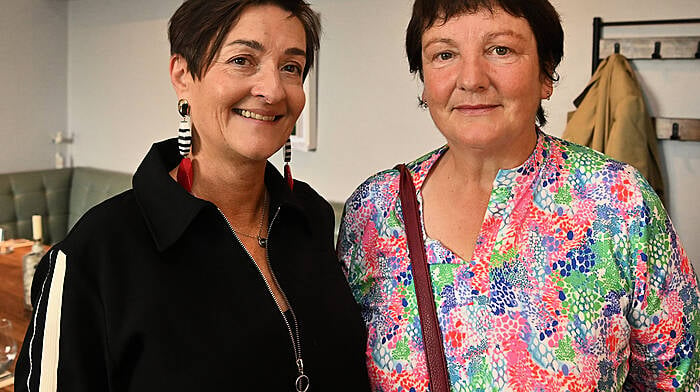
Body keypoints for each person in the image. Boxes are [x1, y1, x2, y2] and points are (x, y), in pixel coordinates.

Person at [338, 0, 700, 390]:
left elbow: (674, 381)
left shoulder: (619, 201)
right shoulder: (374, 211)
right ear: (424, 82)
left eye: (500, 50)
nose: (472, 79)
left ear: (546, 73)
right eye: (444, 54)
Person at [15, 1, 370, 391]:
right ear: (183, 75)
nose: (272, 90)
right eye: (241, 60)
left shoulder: (310, 217)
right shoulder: (96, 254)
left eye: (291, 67)